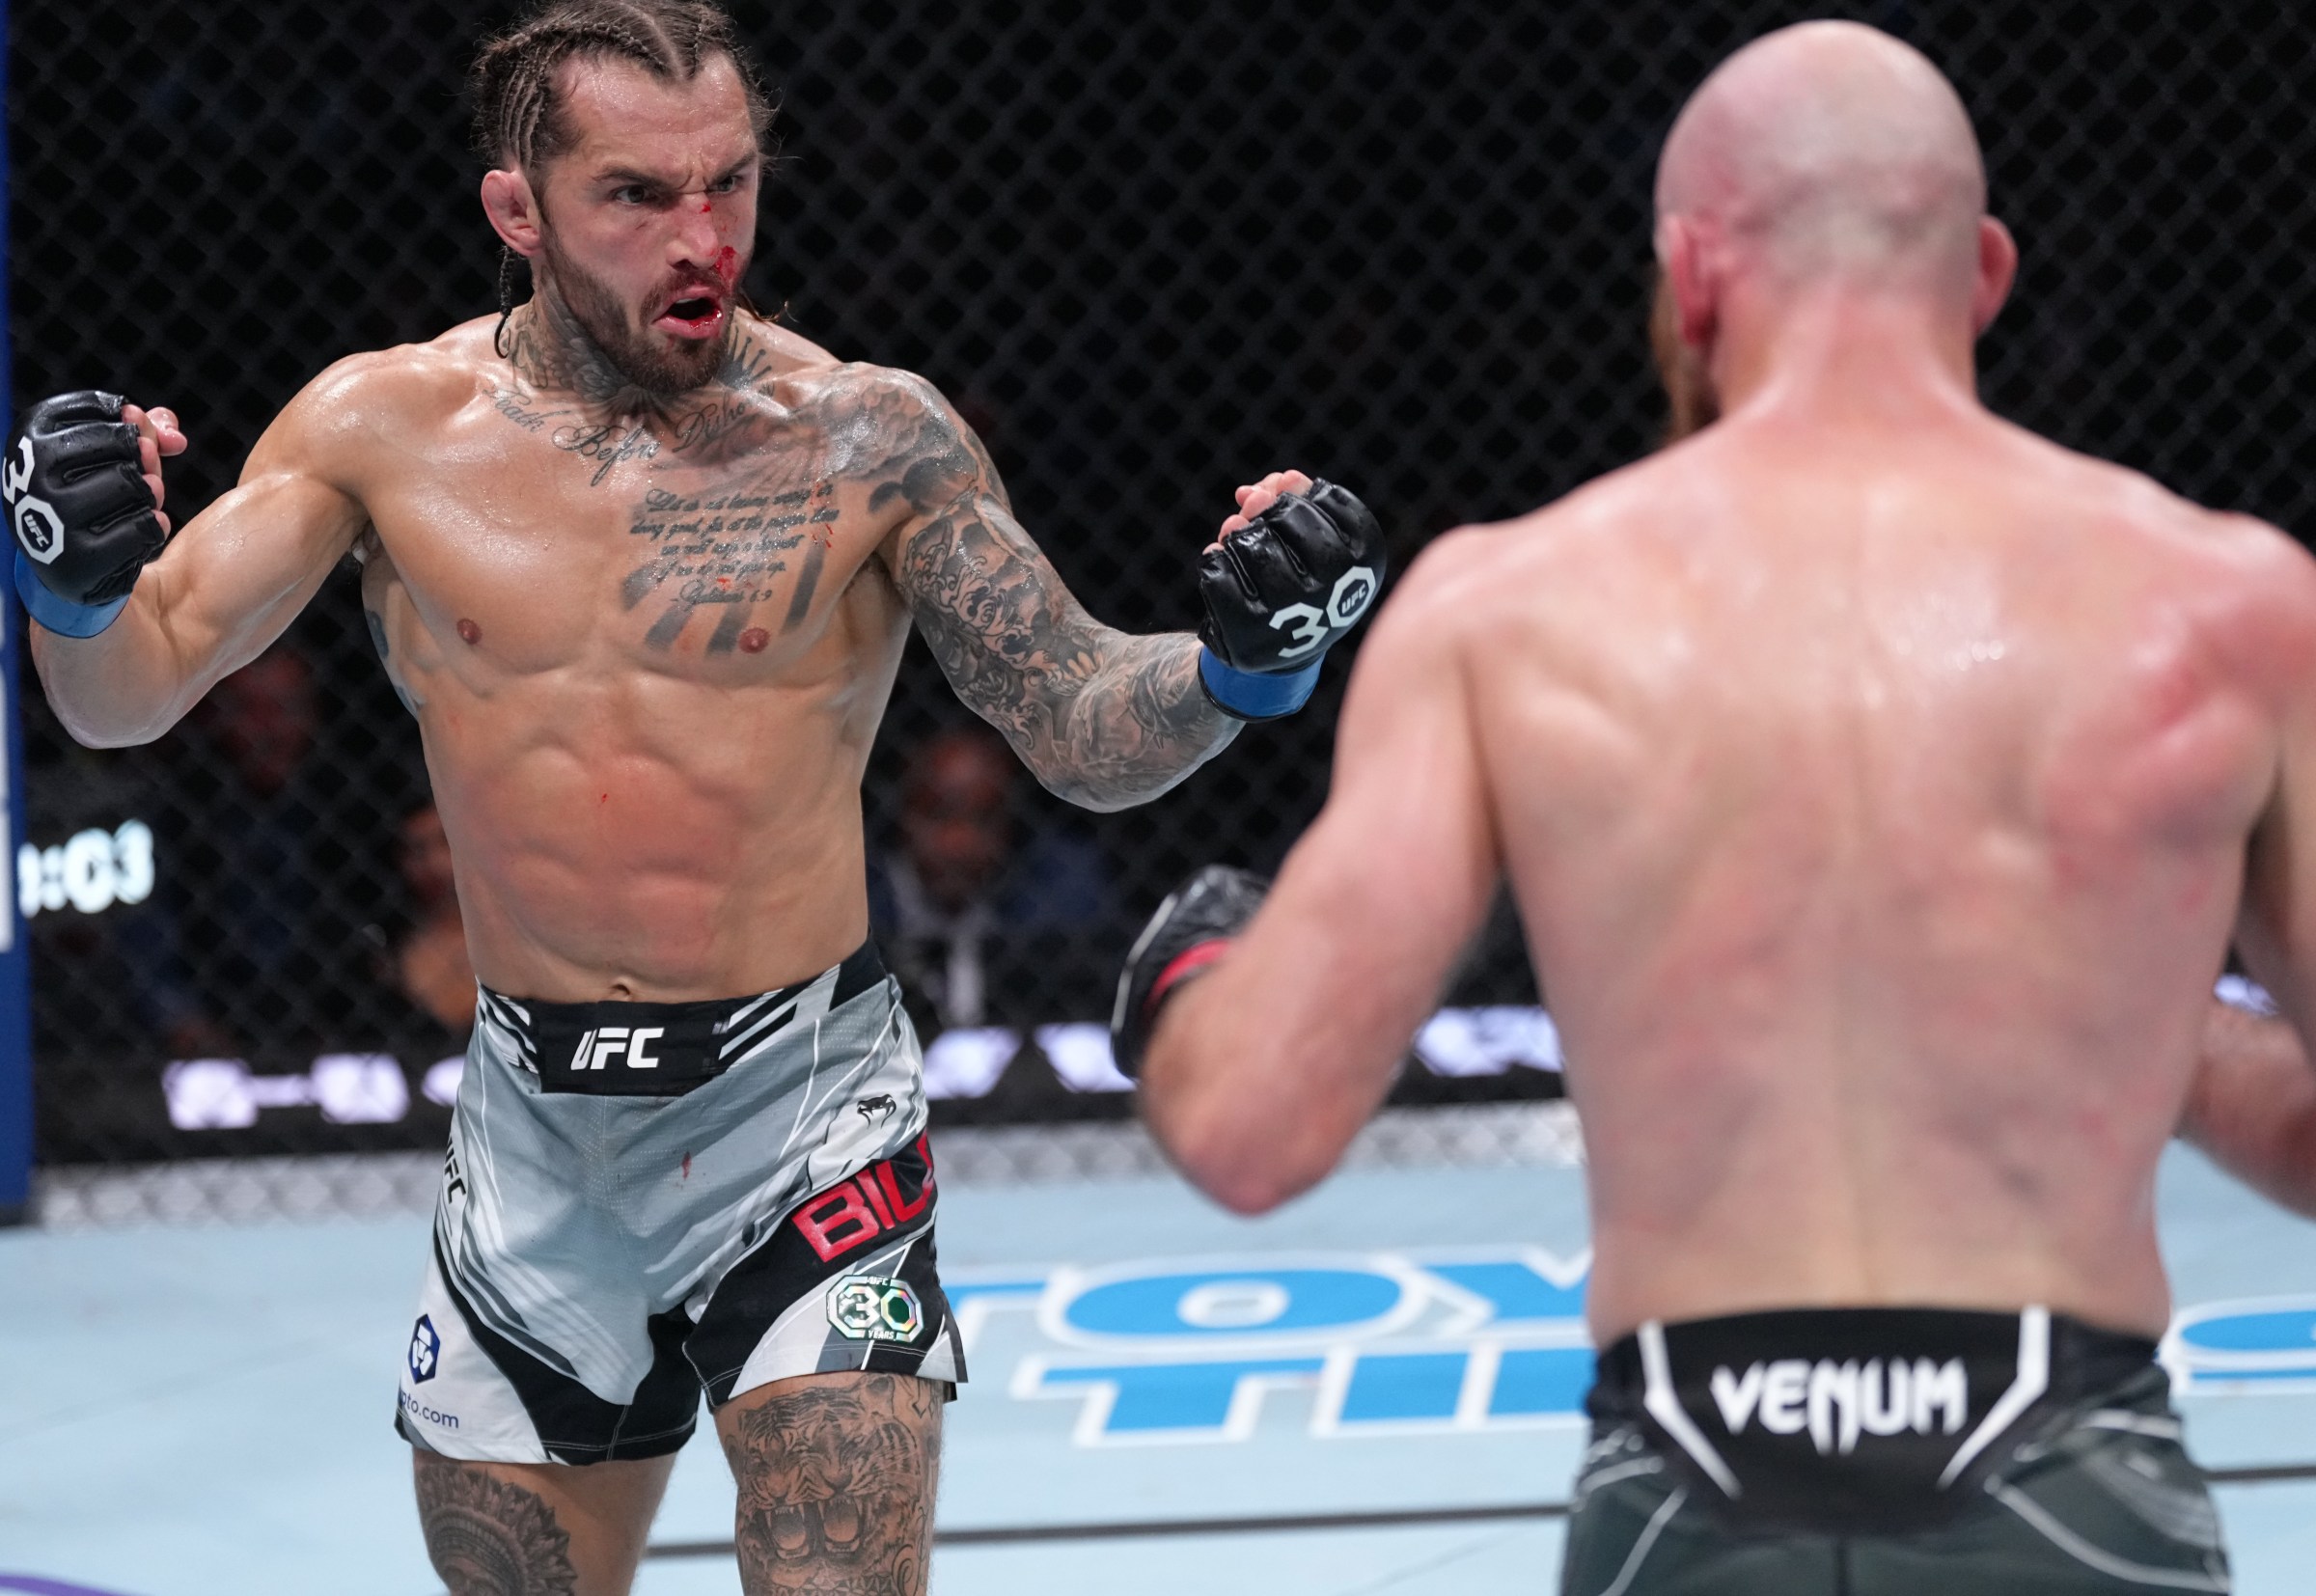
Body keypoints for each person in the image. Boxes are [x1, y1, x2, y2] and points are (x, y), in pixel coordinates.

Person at [6, 1, 1383, 1589]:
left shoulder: (870, 437)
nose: (701, 236)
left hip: (801, 1109)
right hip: (533, 1132)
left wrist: (1243, 665)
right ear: (517, 210)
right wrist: (74, 587)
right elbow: (134, 686)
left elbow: (1075, 715)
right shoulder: (381, 431)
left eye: (729, 182)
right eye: (637, 196)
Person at [1117, 21, 2316, 1592]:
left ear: (1689, 276)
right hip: (2072, 1472)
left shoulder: (1513, 611)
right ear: (1987, 273)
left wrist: (1190, 973)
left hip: (1688, 1483)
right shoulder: (2219, 604)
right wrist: (2113, 999)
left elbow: (1249, 1123)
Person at [869, 723, 1115, 1031]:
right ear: (902, 813)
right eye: (938, 815)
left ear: (1011, 823)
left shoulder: (1057, 888)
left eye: (983, 819)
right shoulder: (855, 895)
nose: (959, 843)